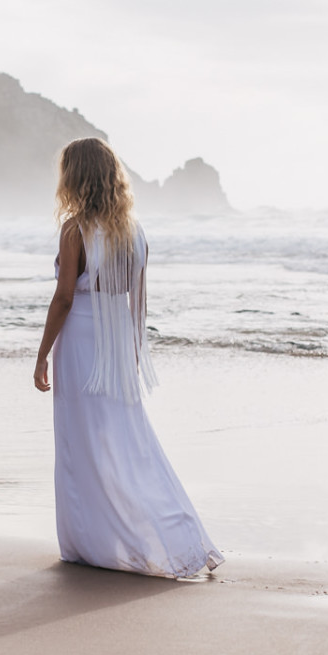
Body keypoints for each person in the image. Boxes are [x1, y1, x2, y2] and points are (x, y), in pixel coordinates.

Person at [33, 138, 223, 578]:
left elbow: (63, 299)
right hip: (115, 340)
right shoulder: (134, 232)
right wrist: (132, 352)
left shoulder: (74, 229)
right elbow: (139, 300)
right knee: (127, 442)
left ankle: (91, 542)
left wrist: (41, 355)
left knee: (82, 443)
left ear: (75, 177)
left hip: (80, 341)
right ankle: (170, 535)